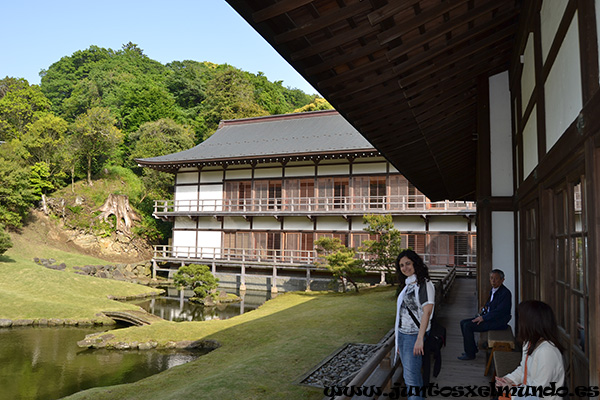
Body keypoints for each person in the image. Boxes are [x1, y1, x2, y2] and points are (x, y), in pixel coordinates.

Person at [495, 300, 565, 400]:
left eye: (521, 320)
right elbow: (523, 370)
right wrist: (508, 379)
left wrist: (511, 390)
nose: (519, 324)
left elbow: (537, 391)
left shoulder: (547, 352)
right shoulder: (529, 342)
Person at [394, 249, 435, 400]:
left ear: (415, 263)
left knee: (411, 380)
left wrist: (419, 338)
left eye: (408, 263)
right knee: (412, 377)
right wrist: (399, 341)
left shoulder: (424, 283)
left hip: (414, 336)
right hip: (404, 335)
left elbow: (427, 311)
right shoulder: (408, 284)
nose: (405, 268)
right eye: (401, 265)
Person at [458, 269, 511, 360]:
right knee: (463, 322)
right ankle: (472, 349)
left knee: (468, 326)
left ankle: (470, 354)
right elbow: (490, 304)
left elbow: (499, 312)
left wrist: (483, 318)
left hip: (498, 322)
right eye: (491, 278)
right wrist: (485, 307)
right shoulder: (494, 290)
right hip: (490, 318)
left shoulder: (505, 293)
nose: (493, 281)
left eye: (496, 278)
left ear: (502, 280)